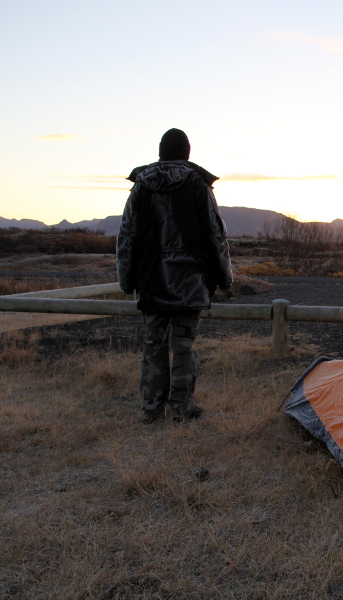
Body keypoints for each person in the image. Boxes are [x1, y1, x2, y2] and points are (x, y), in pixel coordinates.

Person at [116, 128, 233, 423]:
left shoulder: (141, 187)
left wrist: (126, 280)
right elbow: (215, 235)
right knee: (183, 347)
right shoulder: (198, 185)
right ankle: (181, 408)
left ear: (160, 152)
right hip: (190, 283)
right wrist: (225, 278)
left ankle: (151, 408)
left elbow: (126, 237)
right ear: (187, 152)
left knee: (153, 345)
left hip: (151, 280)